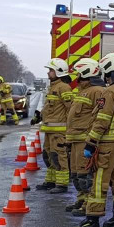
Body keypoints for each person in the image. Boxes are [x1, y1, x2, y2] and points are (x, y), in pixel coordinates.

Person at [72, 52, 114, 227]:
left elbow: (102, 120)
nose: (105, 76)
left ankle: (92, 221)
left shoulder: (111, 92)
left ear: (110, 69)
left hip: (109, 144)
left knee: (99, 181)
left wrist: (90, 143)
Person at [63, 58, 106, 218]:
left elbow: (100, 115)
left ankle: (88, 204)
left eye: (80, 73)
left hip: (84, 141)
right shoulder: (82, 91)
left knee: (85, 176)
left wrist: (93, 141)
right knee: (75, 175)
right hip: (75, 141)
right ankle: (81, 200)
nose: (77, 77)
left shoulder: (97, 91)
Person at [32, 58, 73, 193]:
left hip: (59, 131)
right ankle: (51, 181)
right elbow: (48, 107)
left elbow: (70, 109)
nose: (49, 73)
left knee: (58, 156)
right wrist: (39, 116)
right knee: (48, 155)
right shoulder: (53, 87)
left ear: (59, 72)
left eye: (51, 70)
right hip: (50, 130)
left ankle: (62, 184)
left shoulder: (64, 87)